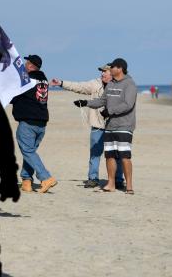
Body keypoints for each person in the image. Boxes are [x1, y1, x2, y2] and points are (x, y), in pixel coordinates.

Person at [51, 65, 123, 189]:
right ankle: (93, 178)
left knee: (116, 154)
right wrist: (61, 83)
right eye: (101, 72)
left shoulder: (120, 85)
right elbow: (79, 86)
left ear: (112, 73)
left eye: (104, 72)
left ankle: (118, 179)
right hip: (97, 125)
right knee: (95, 153)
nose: (102, 74)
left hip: (114, 126)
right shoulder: (95, 84)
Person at [87, 58, 138, 194]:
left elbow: (128, 104)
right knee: (109, 156)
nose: (110, 70)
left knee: (124, 156)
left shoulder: (130, 84)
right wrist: (86, 102)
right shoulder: (110, 84)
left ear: (120, 68)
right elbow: (102, 100)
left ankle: (129, 186)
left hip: (124, 126)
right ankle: (111, 184)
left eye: (112, 67)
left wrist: (110, 111)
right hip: (110, 126)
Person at [11, 54, 56, 194]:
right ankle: (26, 181)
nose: (24, 65)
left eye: (26, 63)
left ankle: (46, 177)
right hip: (41, 123)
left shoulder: (27, 80)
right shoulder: (43, 80)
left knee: (28, 151)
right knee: (30, 152)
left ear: (30, 65)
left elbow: (12, 96)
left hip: (28, 122)